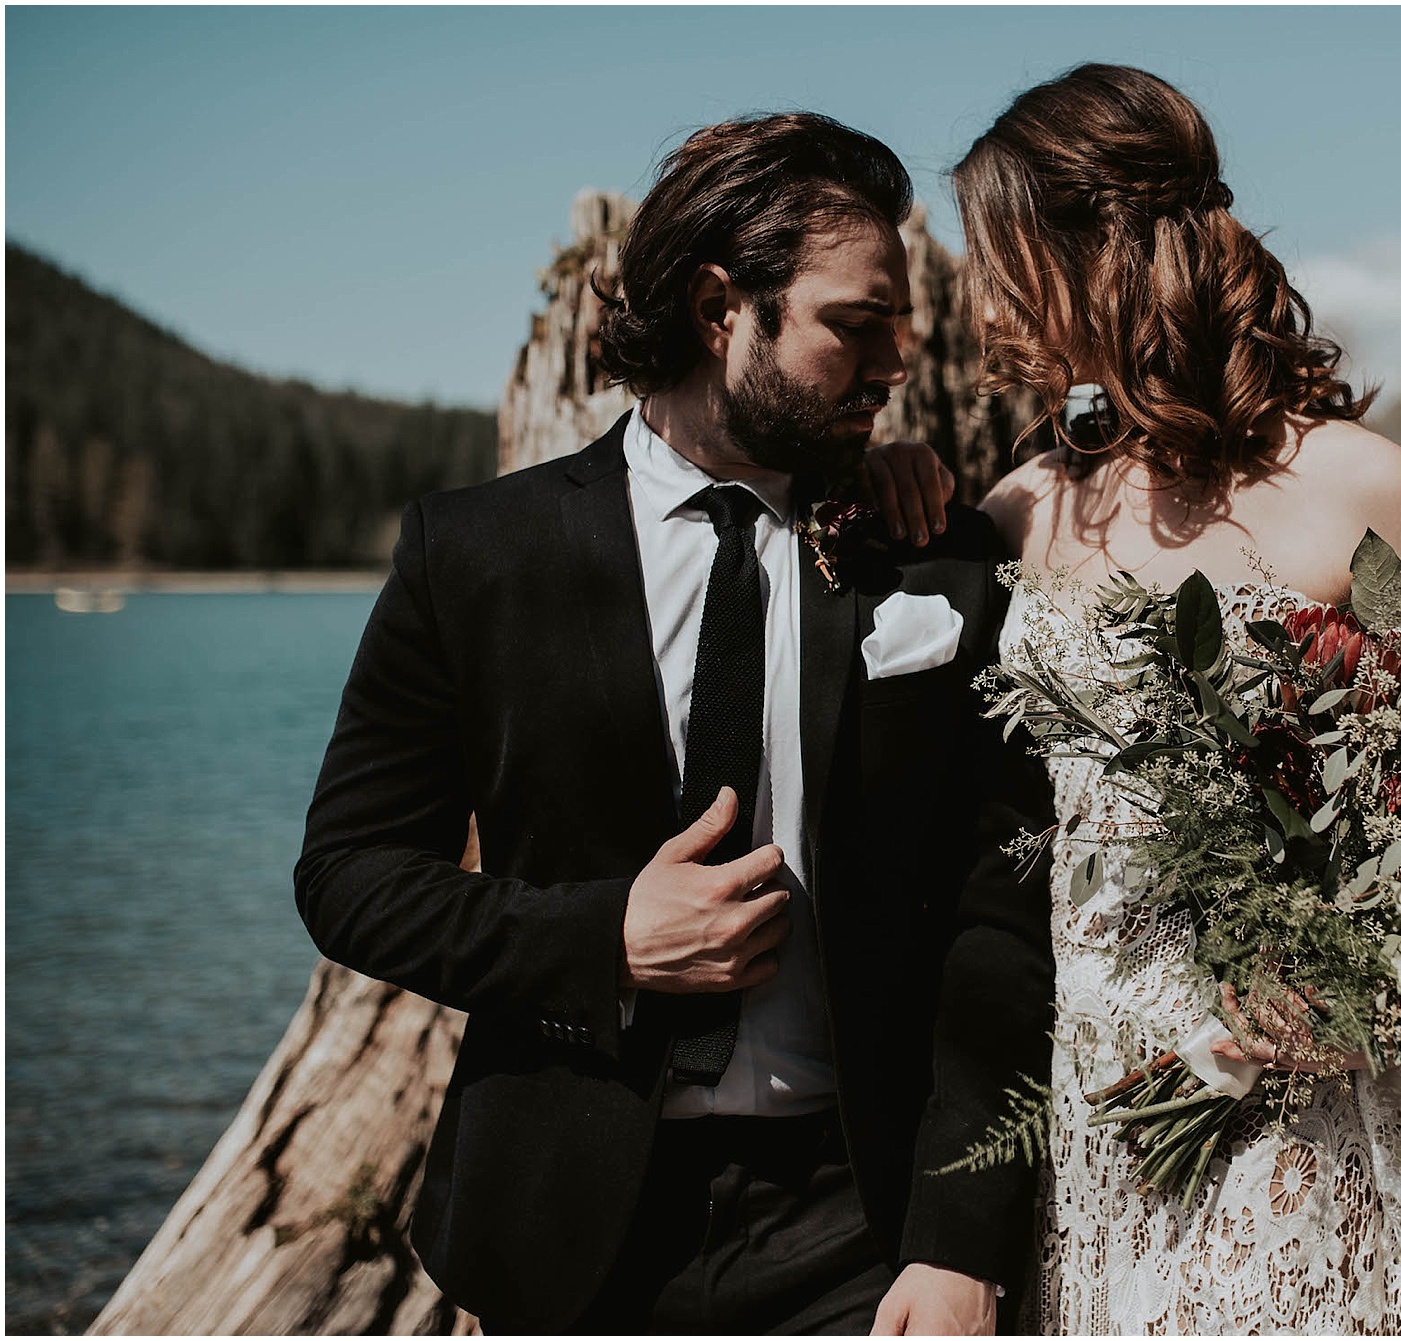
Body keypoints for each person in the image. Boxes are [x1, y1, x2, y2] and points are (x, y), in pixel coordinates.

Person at [294, 112, 1054, 1335]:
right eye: (855, 328)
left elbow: (1000, 913)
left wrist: (958, 1233)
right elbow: (349, 877)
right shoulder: (476, 553)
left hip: (857, 1235)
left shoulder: (931, 554)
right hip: (565, 1233)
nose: (895, 366)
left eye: (901, 331)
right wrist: (609, 942)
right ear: (719, 310)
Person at [876, 64, 1401, 1333]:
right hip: (1091, 1094)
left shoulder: (1367, 490)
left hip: (1305, 1099)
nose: (981, 297)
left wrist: (1359, 982)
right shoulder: (1023, 508)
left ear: (1098, 252)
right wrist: (884, 480)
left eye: (1000, 256)